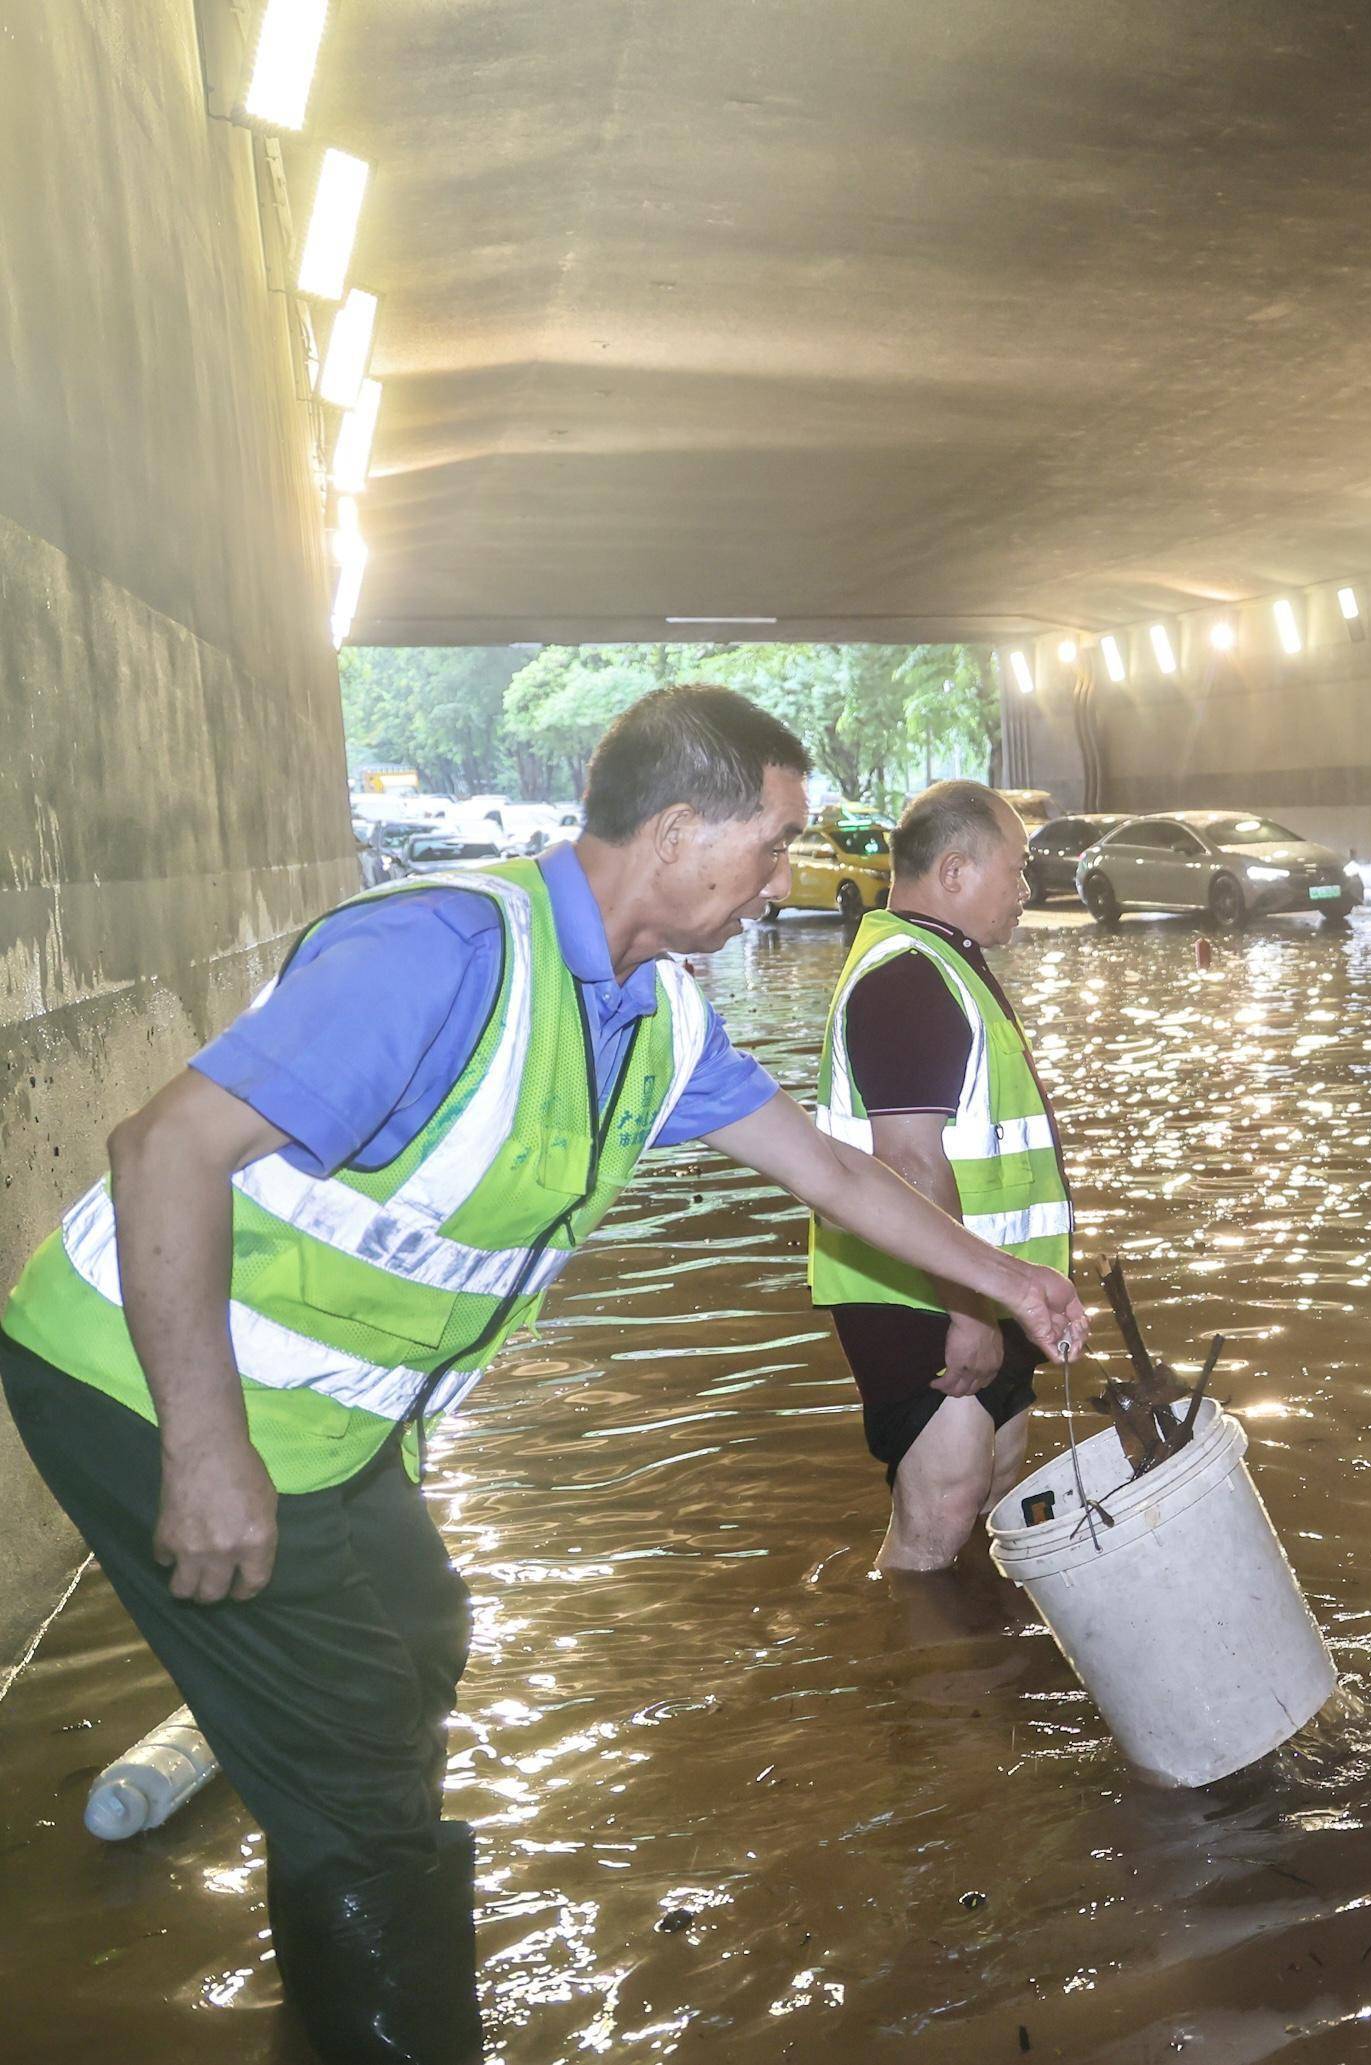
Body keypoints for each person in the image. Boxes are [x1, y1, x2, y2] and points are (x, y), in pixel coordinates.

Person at [0, 687, 1089, 2065]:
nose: (784, 881)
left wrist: (1003, 1282)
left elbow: (826, 1170)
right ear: (681, 831)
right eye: (772, 848)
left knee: (419, 1632)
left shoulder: (654, 1016)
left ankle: (310, 1836)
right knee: (365, 1780)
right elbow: (160, 1149)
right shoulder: (441, 952)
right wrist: (204, 1453)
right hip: (140, 1382)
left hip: (329, 1427)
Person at [807, 781, 1069, 1572]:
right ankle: (908, 1686)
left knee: (996, 1492)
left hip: (985, 1288)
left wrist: (1006, 1300)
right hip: (918, 1294)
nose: (1027, 891)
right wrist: (971, 1313)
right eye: (1016, 871)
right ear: (954, 872)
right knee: (942, 1515)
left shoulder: (946, 963)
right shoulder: (906, 981)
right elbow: (911, 1163)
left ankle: (974, 1681)